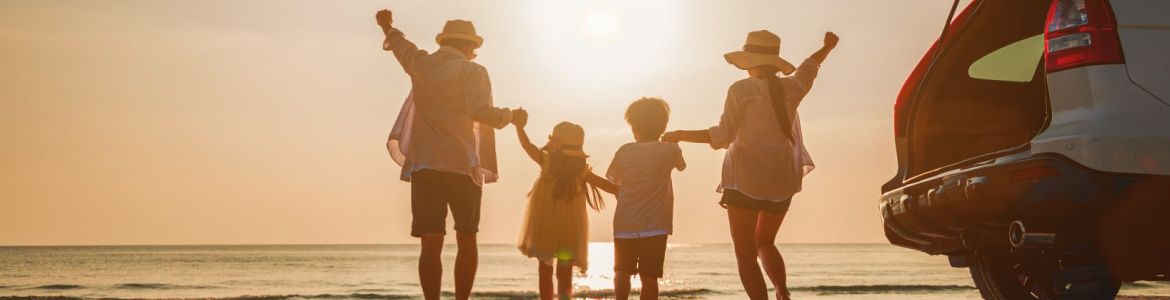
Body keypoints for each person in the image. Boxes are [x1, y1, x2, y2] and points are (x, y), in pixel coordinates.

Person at [662, 30, 839, 300]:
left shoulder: (741, 90)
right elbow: (810, 66)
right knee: (765, 242)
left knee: (745, 255)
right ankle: (782, 291)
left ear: (750, 61)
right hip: (782, 181)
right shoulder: (794, 86)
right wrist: (827, 47)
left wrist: (680, 135)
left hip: (745, 180)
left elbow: (723, 135)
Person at [376, 9, 529, 300]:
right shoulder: (473, 71)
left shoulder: (421, 63)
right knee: (467, 238)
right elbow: (480, 112)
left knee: (431, 242)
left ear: (445, 41)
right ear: (469, 46)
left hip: (426, 166)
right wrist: (511, 115)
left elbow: (400, 44)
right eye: (474, 48)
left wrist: (386, 25)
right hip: (462, 165)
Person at [586, 97, 686, 300]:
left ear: (633, 127)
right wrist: (673, 142)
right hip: (657, 225)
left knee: (622, 271)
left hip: (626, 224)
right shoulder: (670, 150)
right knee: (650, 276)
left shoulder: (625, 151)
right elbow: (682, 165)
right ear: (663, 125)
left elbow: (614, 181)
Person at [514, 119, 605, 300]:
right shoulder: (580, 171)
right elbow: (606, 185)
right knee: (564, 270)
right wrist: (623, 190)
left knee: (545, 268)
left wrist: (519, 126)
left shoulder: (547, 162)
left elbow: (526, 145)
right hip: (568, 232)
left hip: (545, 228)